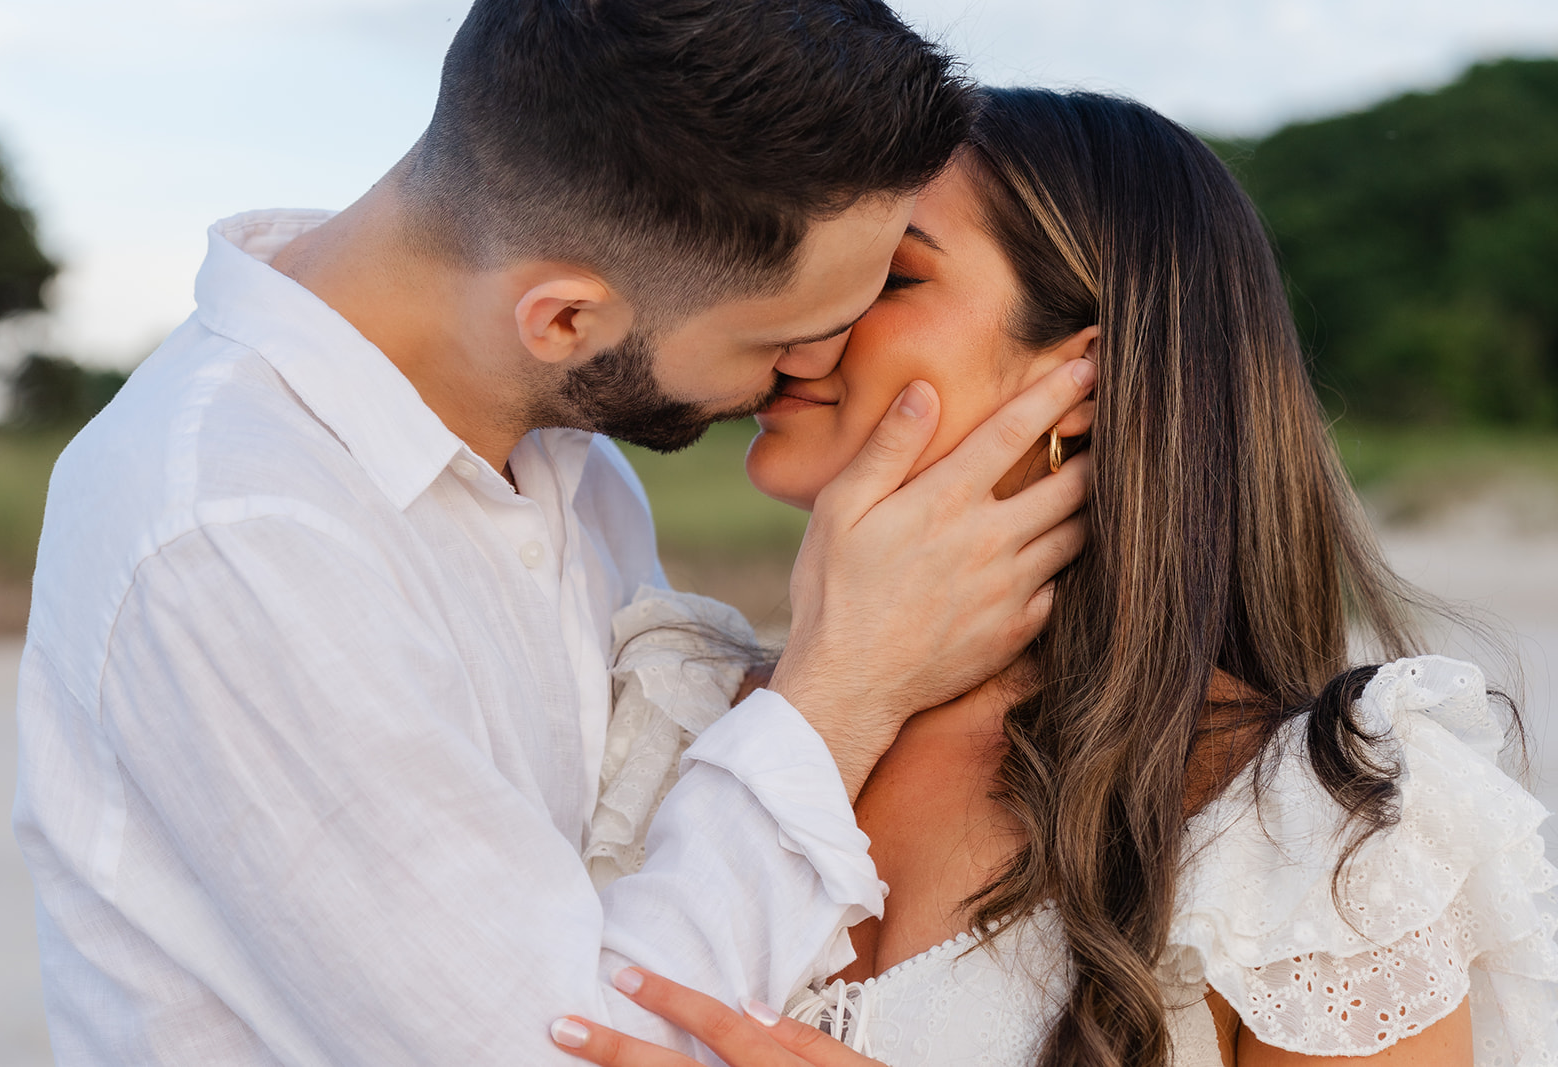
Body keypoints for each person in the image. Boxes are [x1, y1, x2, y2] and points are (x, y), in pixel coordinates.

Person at [11, 6, 1098, 1064]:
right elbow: (574, 1044)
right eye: (788, 337)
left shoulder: (568, 456)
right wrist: (845, 684)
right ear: (565, 318)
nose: (818, 364)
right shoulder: (230, 531)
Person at [548, 89, 1558, 1065]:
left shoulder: (1309, 818)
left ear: (1079, 377)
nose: (798, 317)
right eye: (807, 260)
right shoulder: (652, 713)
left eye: (887, 275)